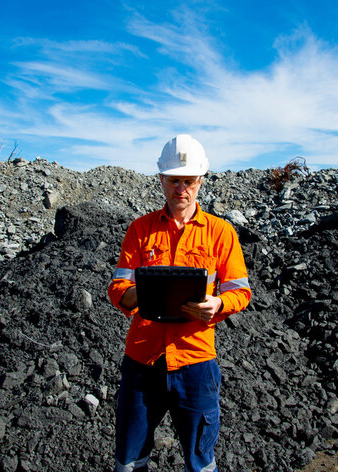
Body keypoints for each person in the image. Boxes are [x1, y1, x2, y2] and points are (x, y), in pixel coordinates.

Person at [108, 134, 252, 472]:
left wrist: (217, 305)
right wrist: (144, 292)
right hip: (143, 360)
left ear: (200, 180)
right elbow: (118, 289)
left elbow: (241, 292)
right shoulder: (140, 231)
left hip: (196, 361)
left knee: (200, 463)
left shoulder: (221, 233)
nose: (181, 189)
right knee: (129, 461)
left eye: (189, 181)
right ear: (162, 180)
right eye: (174, 180)